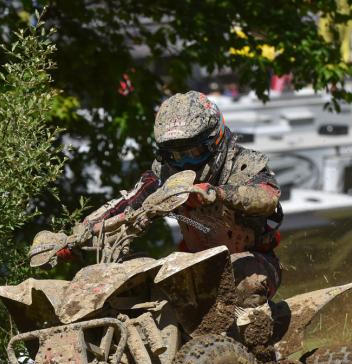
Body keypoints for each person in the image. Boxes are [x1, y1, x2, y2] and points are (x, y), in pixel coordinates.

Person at [62, 91, 283, 307]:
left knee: (245, 283)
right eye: (175, 155)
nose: (185, 163)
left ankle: (255, 328)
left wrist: (219, 193)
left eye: (194, 153)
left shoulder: (244, 164)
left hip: (254, 262)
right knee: (135, 283)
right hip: (192, 262)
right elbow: (127, 203)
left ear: (215, 141)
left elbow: (267, 196)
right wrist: (77, 235)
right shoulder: (163, 174)